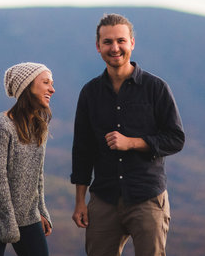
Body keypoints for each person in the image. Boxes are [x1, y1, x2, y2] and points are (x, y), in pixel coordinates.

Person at [71, 13, 186, 256]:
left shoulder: (156, 88)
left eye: (121, 41)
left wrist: (132, 142)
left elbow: (176, 138)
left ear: (132, 43)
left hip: (147, 196)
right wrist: (80, 201)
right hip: (104, 198)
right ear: (98, 47)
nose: (115, 48)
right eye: (108, 42)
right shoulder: (90, 93)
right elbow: (82, 150)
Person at [0, 62, 56, 256]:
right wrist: (8, 221)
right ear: (28, 86)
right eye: (46, 82)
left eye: (52, 83)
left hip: (27, 215)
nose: (52, 89)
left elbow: (36, 174)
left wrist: (41, 209)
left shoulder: (39, 127)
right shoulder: (1, 125)